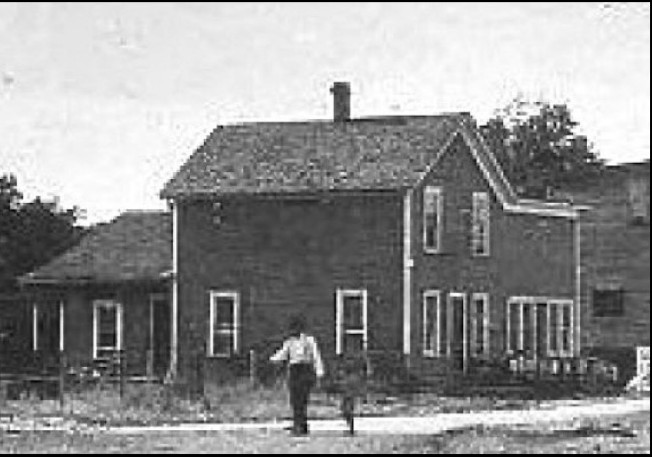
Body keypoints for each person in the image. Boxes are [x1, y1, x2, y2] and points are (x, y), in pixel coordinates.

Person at [270, 314, 325, 436]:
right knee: (295, 400)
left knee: (303, 399)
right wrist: (272, 359)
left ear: (300, 329)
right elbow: (283, 354)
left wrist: (319, 373)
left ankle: (301, 425)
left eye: (295, 329)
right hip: (294, 371)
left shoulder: (309, 341)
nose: (293, 332)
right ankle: (298, 424)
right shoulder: (289, 342)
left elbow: (316, 356)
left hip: (305, 370)